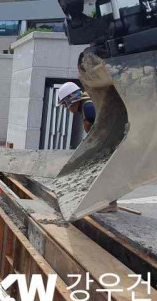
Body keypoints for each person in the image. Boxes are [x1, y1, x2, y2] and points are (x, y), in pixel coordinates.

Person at [57, 82, 118, 213]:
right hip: (106, 143)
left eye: (65, 104)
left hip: (109, 144)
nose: (67, 108)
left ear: (71, 100)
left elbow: (101, 129)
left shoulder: (88, 108)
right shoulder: (87, 104)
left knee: (103, 172)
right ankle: (103, 201)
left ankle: (110, 203)